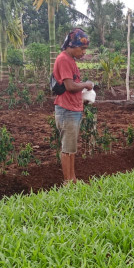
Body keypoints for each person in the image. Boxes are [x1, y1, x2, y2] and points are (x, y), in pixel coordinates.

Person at [53, 28, 94, 183]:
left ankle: (73, 180)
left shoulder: (70, 60)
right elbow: (70, 86)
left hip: (72, 108)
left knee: (71, 148)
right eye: (82, 48)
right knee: (67, 149)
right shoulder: (64, 59)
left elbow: (72, 85)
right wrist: (86, 84)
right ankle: (68, 182)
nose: (84, 52)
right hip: (67, 110)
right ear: (72, 45)